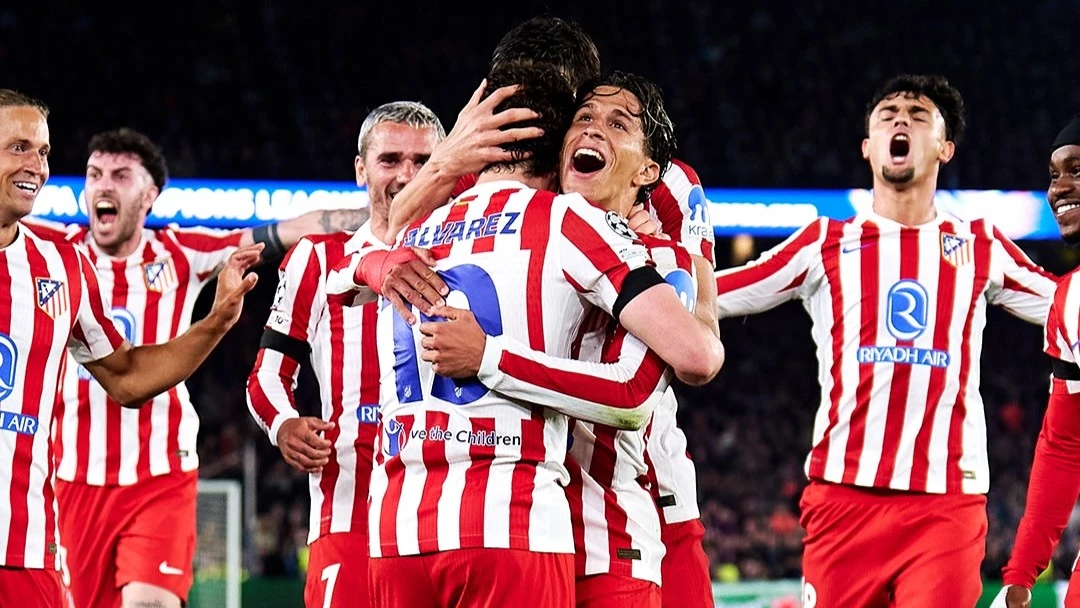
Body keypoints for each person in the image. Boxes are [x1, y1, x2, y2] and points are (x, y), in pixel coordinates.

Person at [367, 17, 719, 606]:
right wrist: (442, 166)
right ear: (560, 133)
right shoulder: (559, 221)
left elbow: (360, 251)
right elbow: (693, 356)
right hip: (523, 517)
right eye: (584, 116)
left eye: (615, 123)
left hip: (611, 526)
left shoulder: (413, 227)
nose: (594, 131)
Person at [712, 74, 1057, 607]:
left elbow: (1066, 307)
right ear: (868, 147)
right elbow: (714, 294)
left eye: (919, 116)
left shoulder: (980, 245)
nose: (902, 119)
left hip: (946, 505)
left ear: (945, 148)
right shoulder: (823, 243)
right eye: (888, 114)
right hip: (843, 500)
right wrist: (631, 274)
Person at [19, 126, 371, 608]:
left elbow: (287, 229)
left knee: (150, 604)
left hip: (158, 476)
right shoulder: (52, 252)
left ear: (150, 196)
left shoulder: (180, 253)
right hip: (71, 481)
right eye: (95, 174)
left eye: (121, 175)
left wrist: (382, 208)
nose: (103, 185)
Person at [0, 89, 259, 608]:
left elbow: (127, 377)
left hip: (22, 545)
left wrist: (216, 321)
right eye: (19, 148)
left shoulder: (60, 267)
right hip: (74, 494)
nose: (37, 165)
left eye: (44, 152)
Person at [245, 101, 447, 608]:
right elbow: (267, 374)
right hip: (348, 514)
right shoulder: (316, 258)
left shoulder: (473, 254)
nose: (407, 176)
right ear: (361, 168)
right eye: (391, 159)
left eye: (423, 161)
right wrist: (284, 425)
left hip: (450, 518)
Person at [995, 114, 1080, 608]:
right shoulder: (1069, 302)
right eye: (1054, 175)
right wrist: (1021, 574)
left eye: (1077, 171)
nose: (1061, 188)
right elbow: (1064, 446)